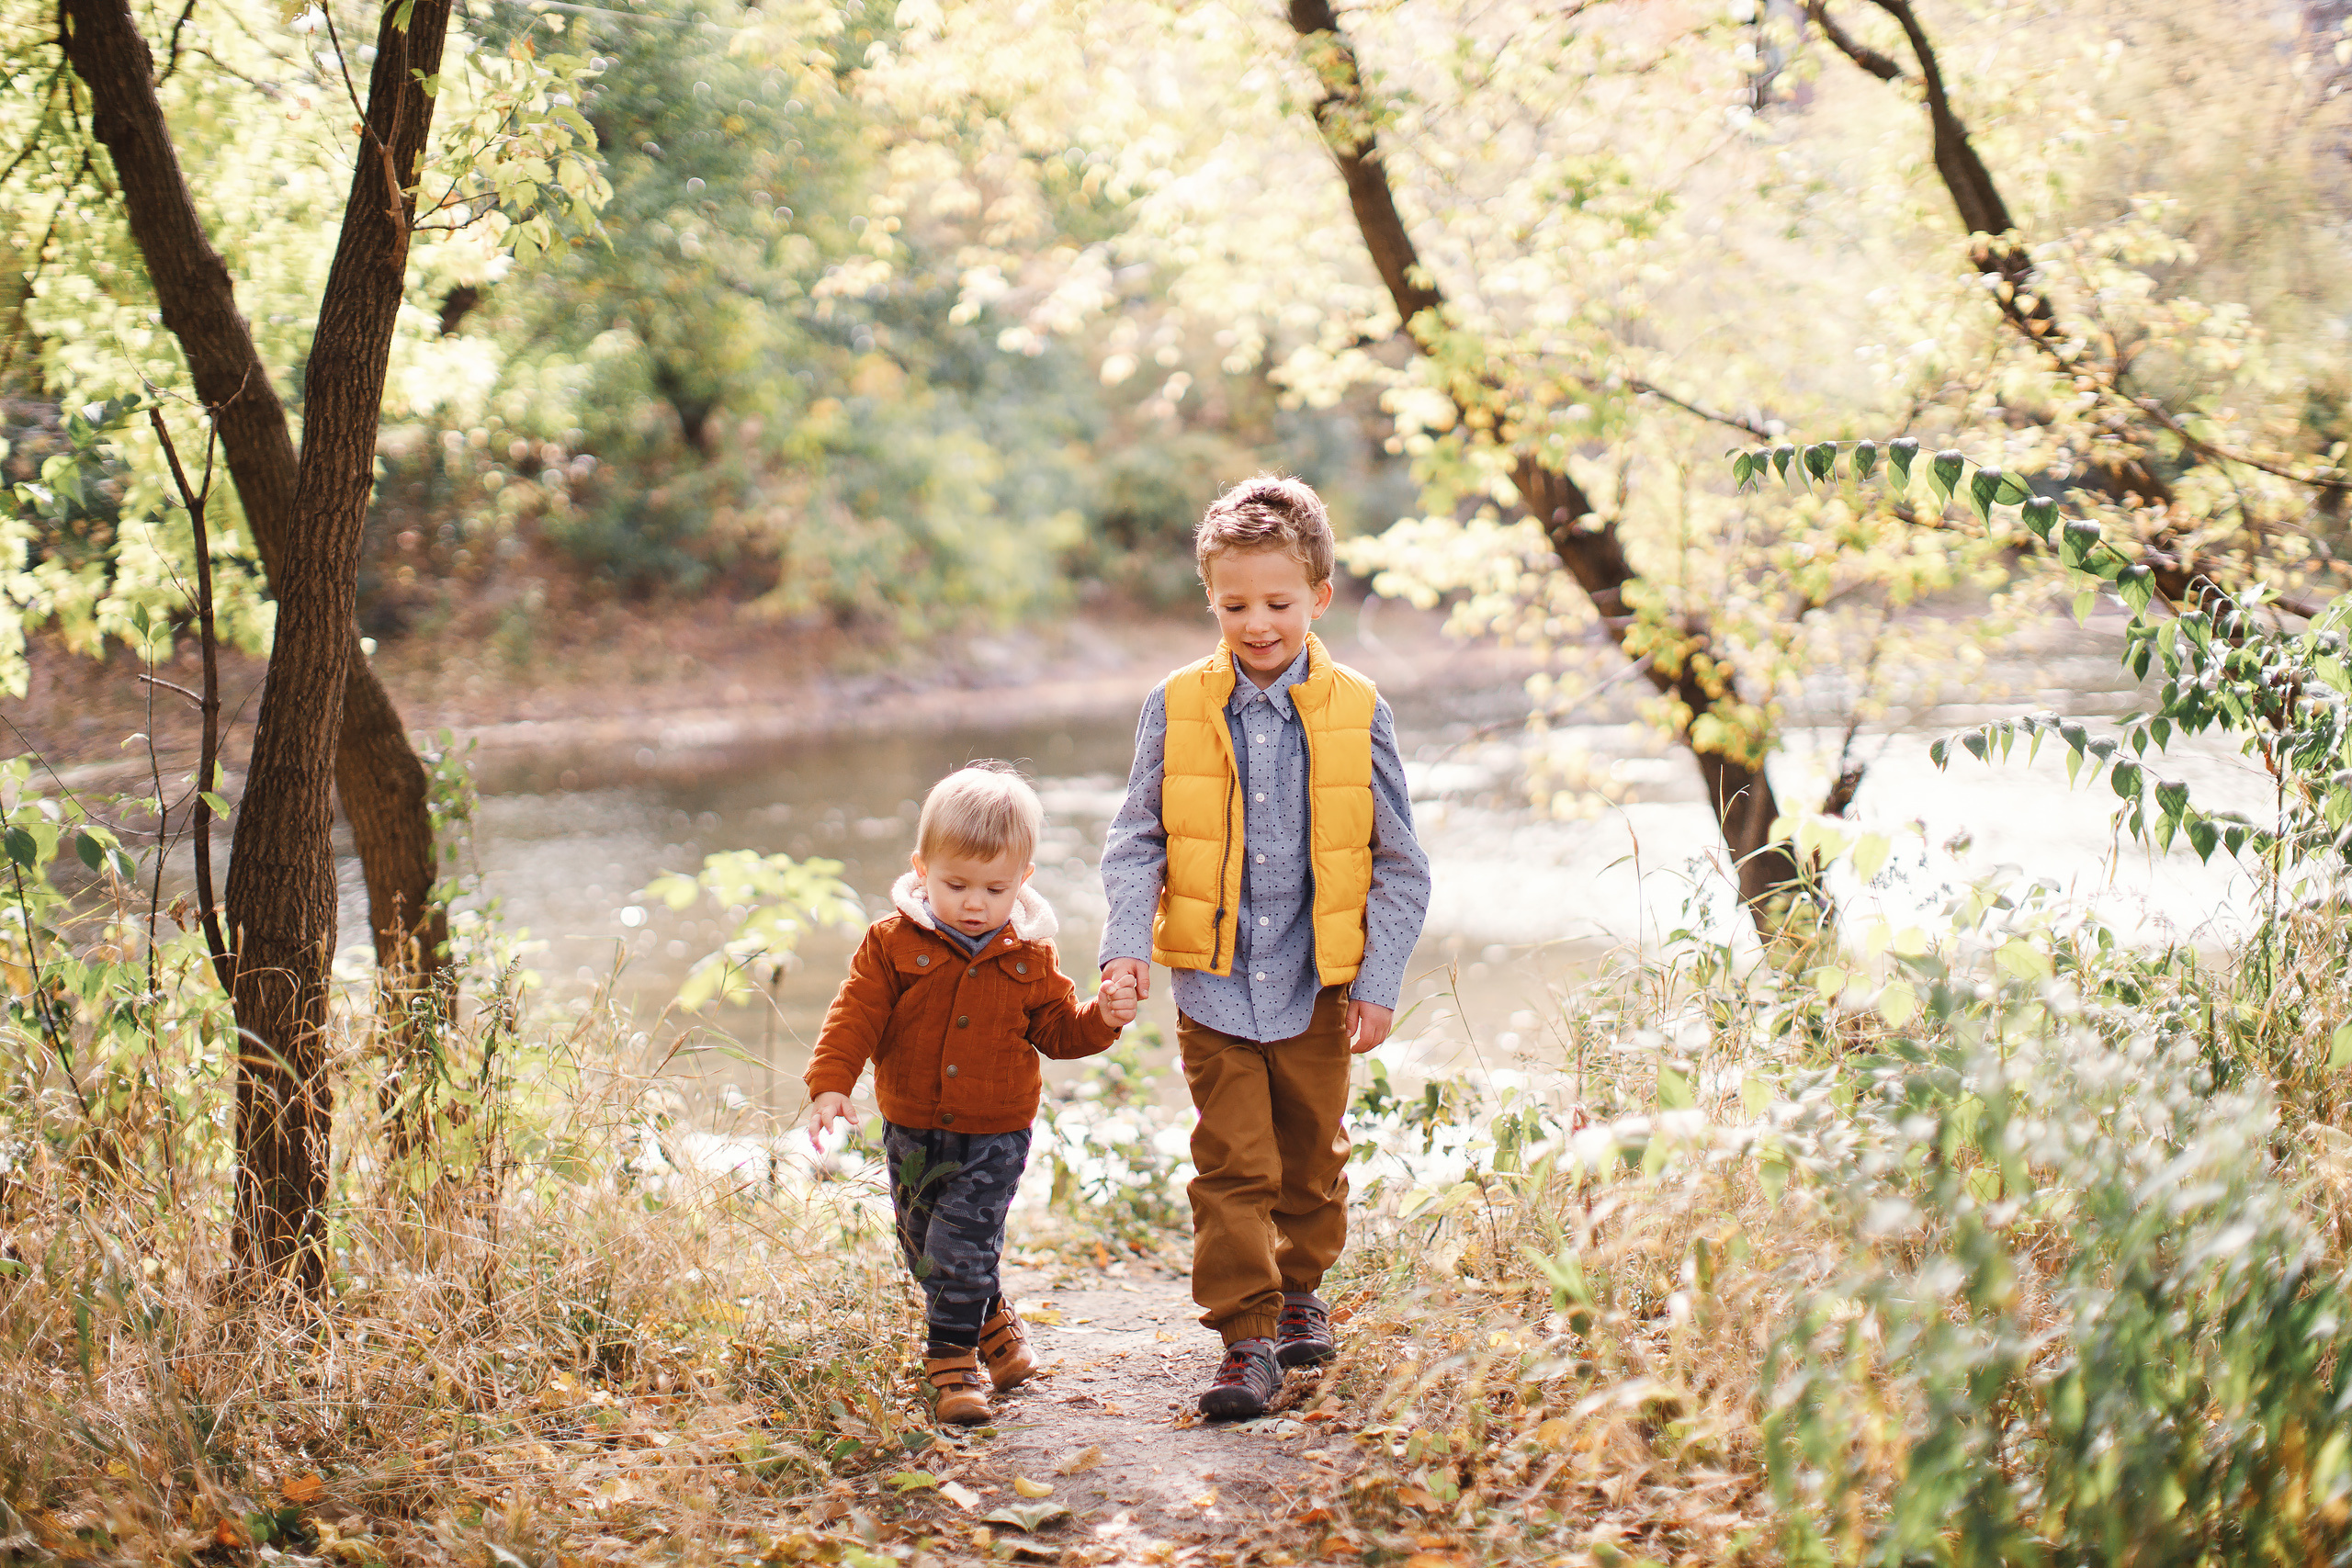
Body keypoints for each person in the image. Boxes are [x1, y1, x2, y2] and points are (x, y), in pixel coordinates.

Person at [1100, 474, 1432, 1420]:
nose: (1256, 623)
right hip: (1210, 983)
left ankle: (1299, 1293)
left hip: (1317, 983)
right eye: (1234, 603)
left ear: (1319, 598)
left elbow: (1400, 862)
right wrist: (1125, 945)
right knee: (1232, 1166)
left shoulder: (1359, 709)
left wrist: (1378, 978)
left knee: (1308, 1159)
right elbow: (1135, 838)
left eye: (1278, 603)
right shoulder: (1174, 703)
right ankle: (1244, 1341)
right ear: (1210, 598)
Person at [806, 762, 1139, 1426]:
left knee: (962, 1243)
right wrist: (830, 1085)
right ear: (921, 867)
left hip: (996, 1129)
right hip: (910, 1123)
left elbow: (1058, 1030)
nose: (975, 902)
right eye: (956, 884)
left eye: (995, 887)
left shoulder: (1029, 958)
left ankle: (952, 1361)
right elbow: (855, 1015)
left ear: (1024, 880)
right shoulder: (892, 944)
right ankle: (993, 1322)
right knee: (925, 1250)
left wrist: (1102, 1015)